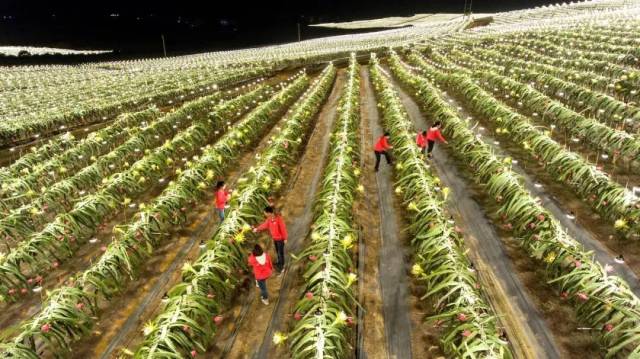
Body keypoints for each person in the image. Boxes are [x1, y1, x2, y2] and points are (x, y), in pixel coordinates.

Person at [253, 206, 288, 274]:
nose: (265, 214)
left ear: (269, 213)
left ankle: (282, 267)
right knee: (278, 252)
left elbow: (283, 229)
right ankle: (279, 263)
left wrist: (285, 238)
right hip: (275, 239)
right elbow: (264, 225)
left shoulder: (278, 219)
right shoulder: (269, 219)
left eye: (265, 213)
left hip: (280, 239)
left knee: (280, 253)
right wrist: (257, 229)